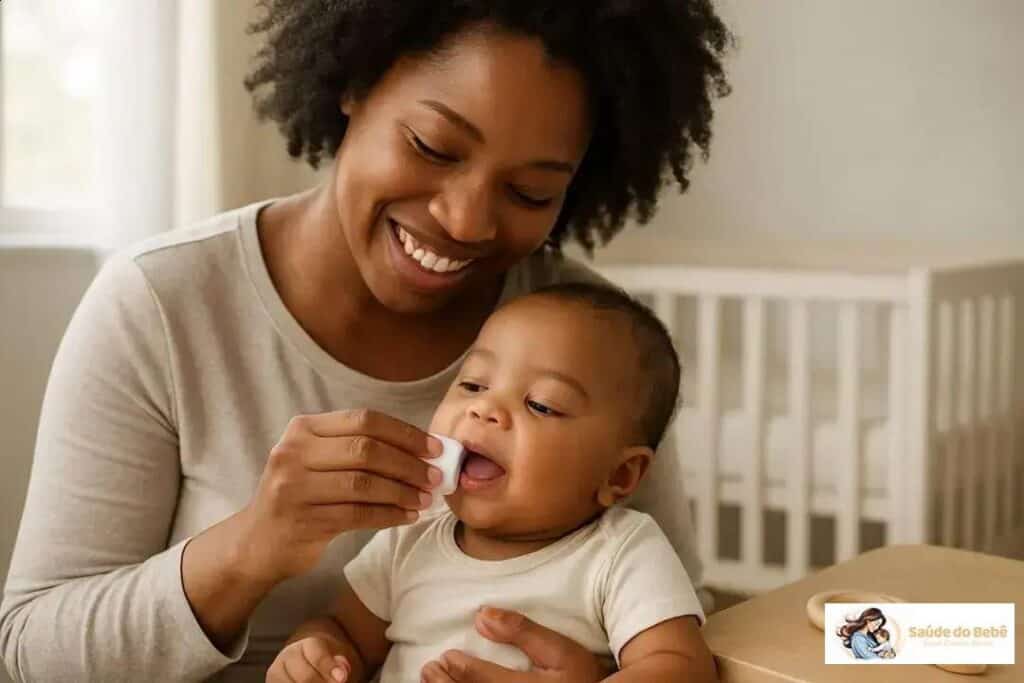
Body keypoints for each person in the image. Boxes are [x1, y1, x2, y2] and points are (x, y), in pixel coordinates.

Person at [0, 2, 732, 681]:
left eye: (529, 193)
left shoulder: (594, 342)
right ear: (355, 83)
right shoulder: (161, 302)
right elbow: (30, 654)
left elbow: (687, 635)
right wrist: (250, 546)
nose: (466, 220)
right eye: (433, 146)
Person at [267, 283, 716, 683]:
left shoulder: (620, 553)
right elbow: (343, 631)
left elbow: (680, 667)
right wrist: (317, 656)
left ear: (618, 475)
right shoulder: (410, 537)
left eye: (541, 405)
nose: (484, 410)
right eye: (473, 385)